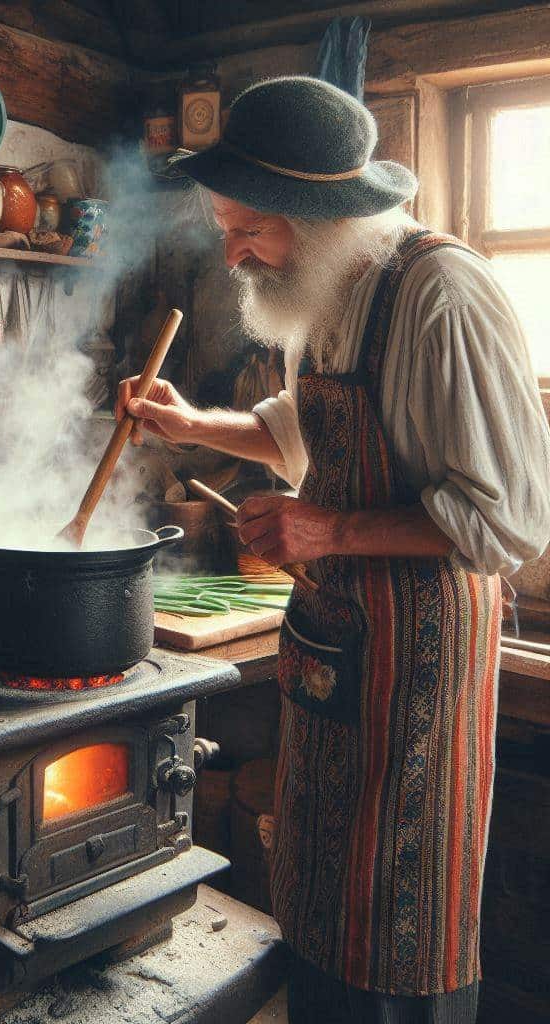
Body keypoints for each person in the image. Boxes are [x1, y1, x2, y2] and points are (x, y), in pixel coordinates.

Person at [117, 76, 550, 1024]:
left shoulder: (442, 295)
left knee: (400, 917)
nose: (232, 252)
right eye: (227, 225)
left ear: (322, 218)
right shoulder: (333, 291)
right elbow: (302, 429)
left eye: (251, 229)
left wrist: (328, 530)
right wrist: (192, 424)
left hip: (421, 668)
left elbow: (509, 520)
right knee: (319, 903)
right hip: (339, 656)